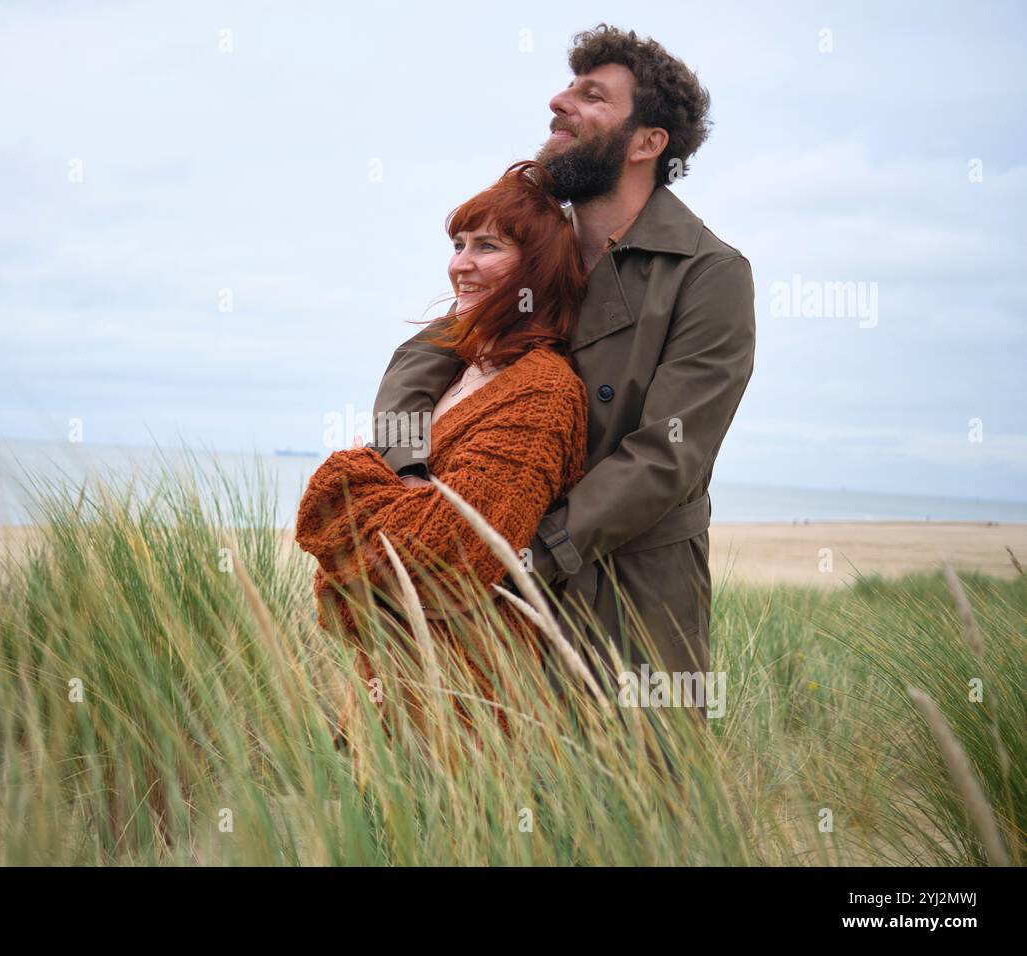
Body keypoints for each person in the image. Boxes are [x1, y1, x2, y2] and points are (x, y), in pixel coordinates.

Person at [367, 24, 757, 700]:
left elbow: (669, 455)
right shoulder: (535, 247)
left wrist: (531, 554)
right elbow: (416, 367)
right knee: (481, 780)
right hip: (493, 584)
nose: (559, 103)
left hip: (635, 595)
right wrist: (411, 480)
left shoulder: (710, 272)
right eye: (566, 88)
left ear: (647, 142)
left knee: (636, 792)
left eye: (591, 96)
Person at [295, 160, 589, 740]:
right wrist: (383, 519)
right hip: (385, 690)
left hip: (466, 703)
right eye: (458, 245)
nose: (461, 265)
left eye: (487, 247)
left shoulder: (542, 390)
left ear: (538, 270)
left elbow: (445, 558)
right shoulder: (448, 371)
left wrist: (348, 480)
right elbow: (356, 574)